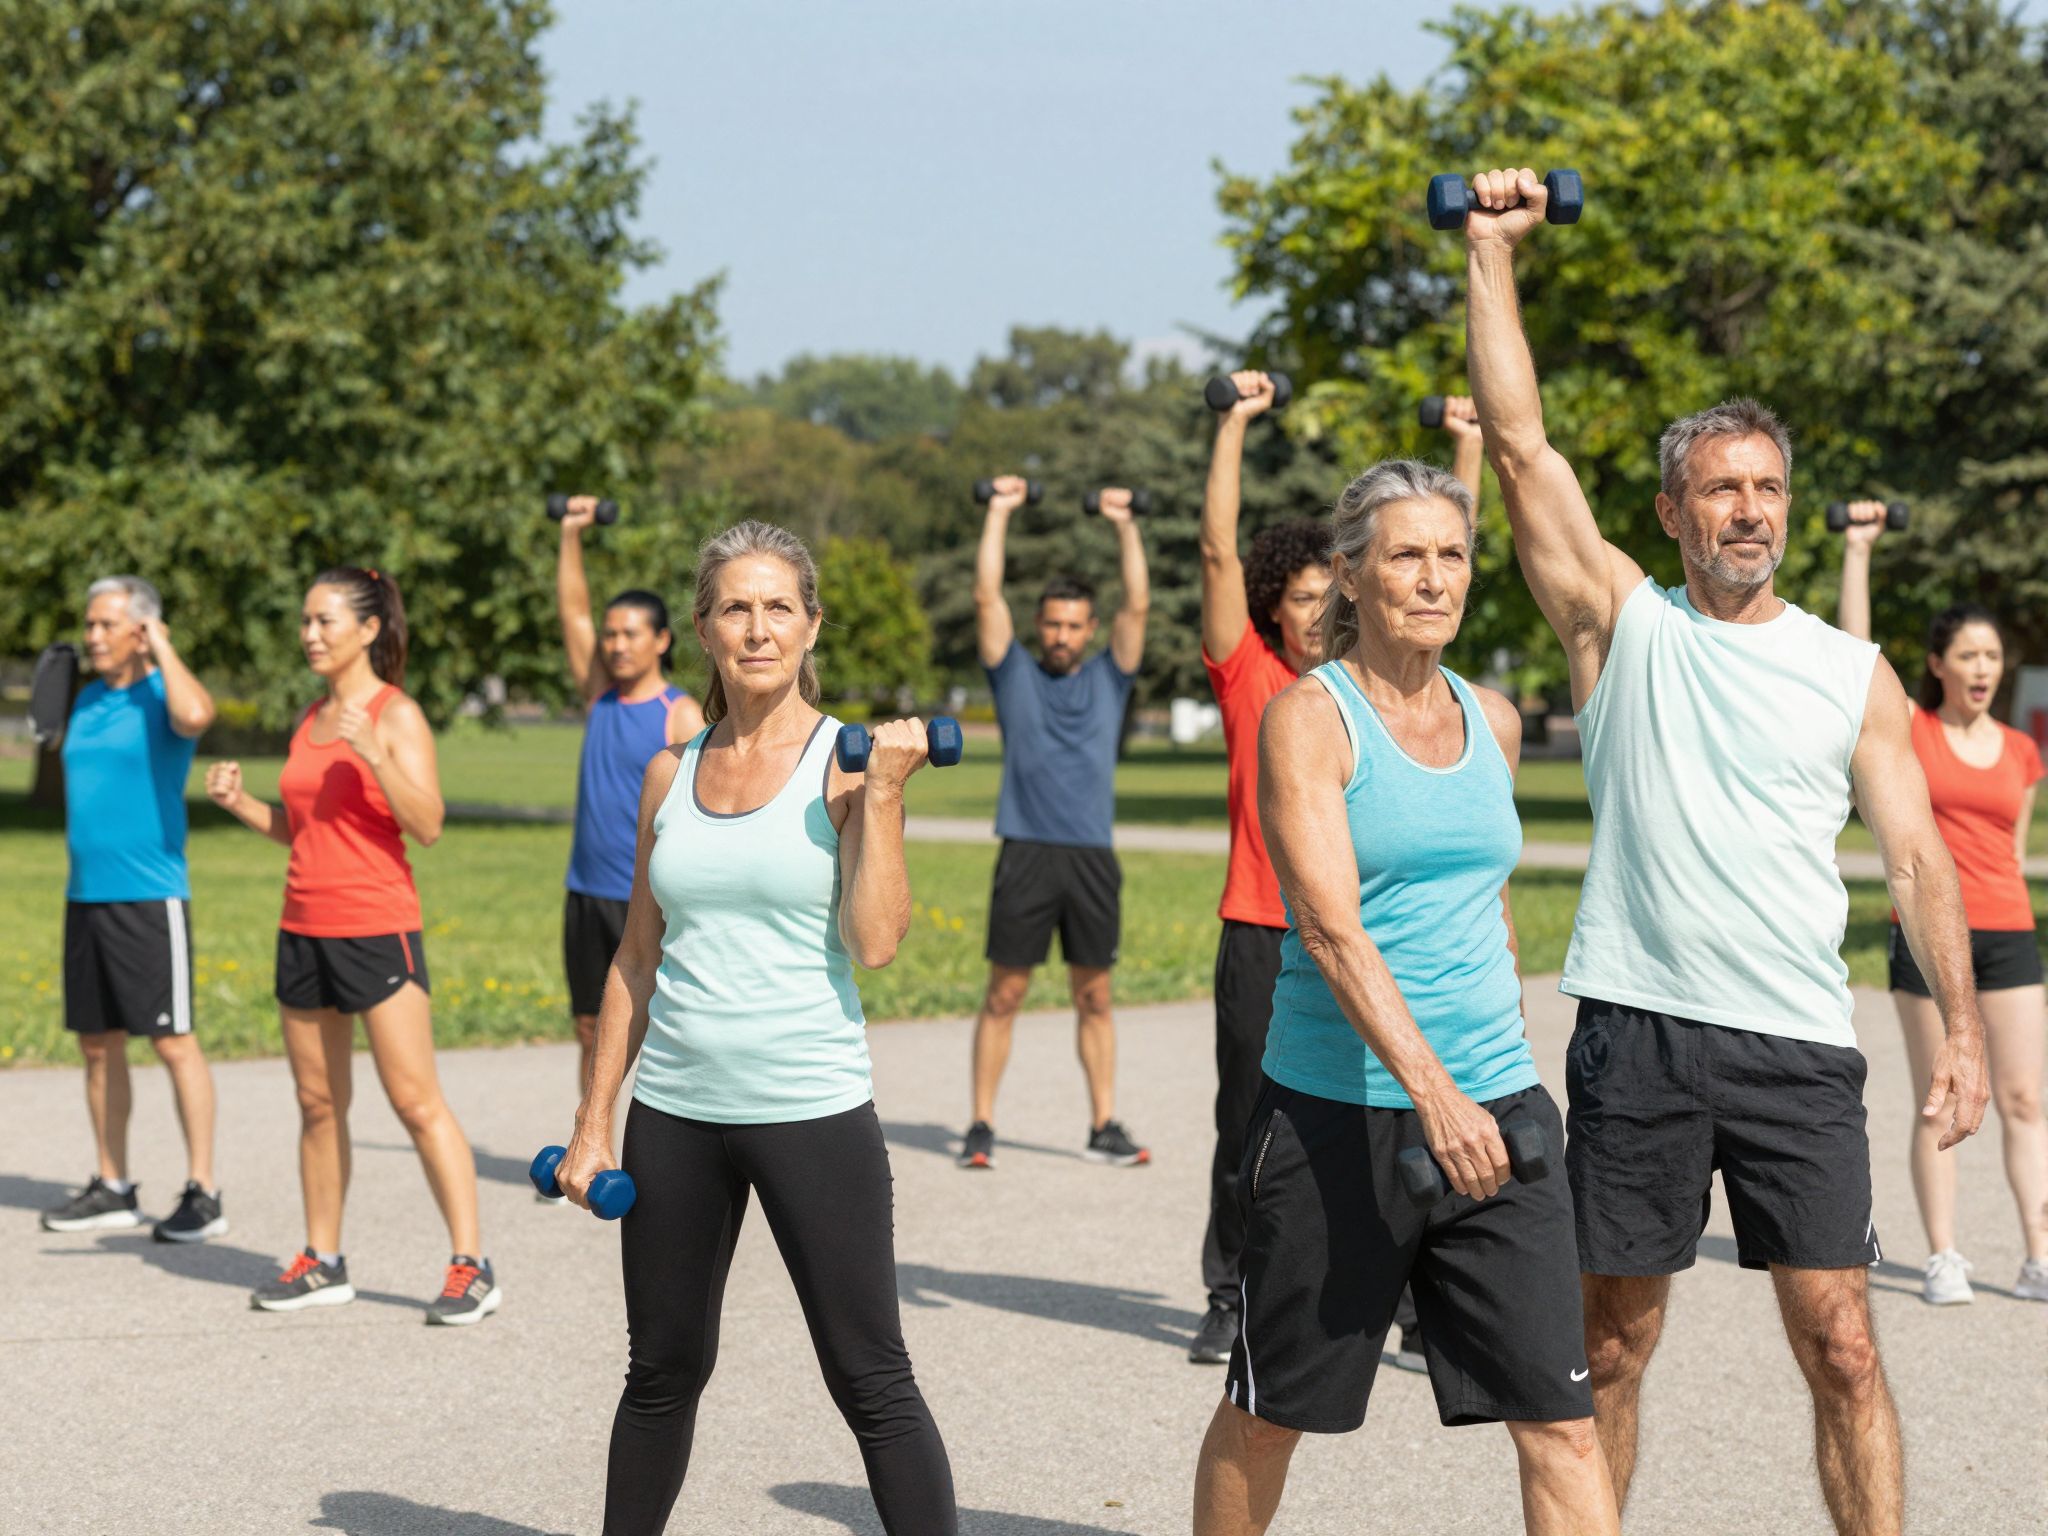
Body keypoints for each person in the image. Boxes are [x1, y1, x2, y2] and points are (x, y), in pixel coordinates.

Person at [1461, 167, 1988, 1535]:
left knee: (1846, 1346)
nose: (1746, 509)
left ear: (1788, 509)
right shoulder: (1622, 630)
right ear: (1675, 514)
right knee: (1615, 1345)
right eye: (1718, 490)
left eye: (1765, 488)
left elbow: (1924, 865)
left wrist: (1967, 1041)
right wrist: (1490, 253)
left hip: (1797, 1046)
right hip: (1639, 1034)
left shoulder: (1851, 671)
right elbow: (1520, 448)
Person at [1192, 460, 1619, 1536]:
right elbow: (1330, 930)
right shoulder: (1307, 720)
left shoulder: (1497, 720)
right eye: (1404, 555)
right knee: (1268, 1413)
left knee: (1561, 1423)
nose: (1434, 579)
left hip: (1494, 1112)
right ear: (1348, 574)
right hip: (1338, 1118)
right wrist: (1434, 1095)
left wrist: (1494, 1071)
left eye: (1451, 554)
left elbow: (1485, 897)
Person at [553, 520, 956, 1536]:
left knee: (871, 1379)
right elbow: (634, 960)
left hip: (808, 1109)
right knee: (661, 1371)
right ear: (703, 629)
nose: (759, 627)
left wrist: (888, 802)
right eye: (736, 606)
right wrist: (595, 1118)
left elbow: (874, 943)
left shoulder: (847, 765)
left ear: (812, 626)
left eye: (780, 606)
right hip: (677, 1112)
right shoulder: (668, 773)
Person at [1187, 374, 1489, 1366]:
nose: (1317, 606)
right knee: (1252, 1125)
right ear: (1275, 607)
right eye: (1302, 595)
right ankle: (1230, 1291)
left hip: (1372, 933)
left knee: (1401, 1096)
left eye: (1330, 591)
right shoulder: (1254, 679)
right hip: (1266, 931)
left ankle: (1406, 1287)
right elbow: (1215, 549)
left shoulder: (1390, 678)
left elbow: (1444, 542)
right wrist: (1230, 425)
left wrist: (1466, 444)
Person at [205, 567, 497, 1324]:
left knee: (413, 1100)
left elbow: (428, 825)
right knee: (316, 1103)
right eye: (305, 621)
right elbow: (305, 833)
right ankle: (321, 1261)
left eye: (324, 621)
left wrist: (373, 753)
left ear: (368, 629)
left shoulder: (394, 715)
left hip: (378, 930)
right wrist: (242, 805)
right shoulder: (309, 719)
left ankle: (472, 1264)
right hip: (302, 930)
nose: (309, 634)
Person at [1837, 505, 2047, 1304]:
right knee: (1941, 1097)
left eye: (1993, 654)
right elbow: (1857, 655)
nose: (1984, 667)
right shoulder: (1913, 731)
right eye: (1969, 655)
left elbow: (2015, 852)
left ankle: (2037, 1254)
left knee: (2026, 1097)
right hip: (1927, 935)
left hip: (2010, 934)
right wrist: (1859, 551)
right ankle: (1944, 1256)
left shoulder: (2022, 752)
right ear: (1938, 664)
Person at [960, 477, 1151, 1169]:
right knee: (1005, 992)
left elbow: (1139, 601)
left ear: (1089, 629)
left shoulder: (1111, 676)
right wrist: (1000, 512)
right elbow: (987, 596)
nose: (1062, 635)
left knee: (1094, 996)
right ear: (1038, 626)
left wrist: (1124, 522)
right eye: (1052, 624)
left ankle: (1103, 1124)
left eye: (1073, 625)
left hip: (1091, 856)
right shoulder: (1014, 675)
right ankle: (980, 1123)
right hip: (1027, 852)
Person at [39, 577, 225, 1244]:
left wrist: (164, 648)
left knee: (174, 1043)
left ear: (140, 631)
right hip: (84, 897)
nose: (92, 636)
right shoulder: (87, 699)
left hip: (150, 898)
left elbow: (199, 716)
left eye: (107, 625)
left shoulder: (162, 699)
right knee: (97, 1046)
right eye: (89, 625)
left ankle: (204, 1191)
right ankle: (112, 1184)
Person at [555, 495, 702, 1100]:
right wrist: (570, 534)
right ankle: (590, 1145)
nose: (615, 645)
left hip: (641, 896)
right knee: (591, 1028)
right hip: (585, 890)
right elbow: (573, 612)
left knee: (660, 1028)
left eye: (630, 634)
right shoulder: (599, 695)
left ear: (662, 640)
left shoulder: (680, 713)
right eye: (610, 635)